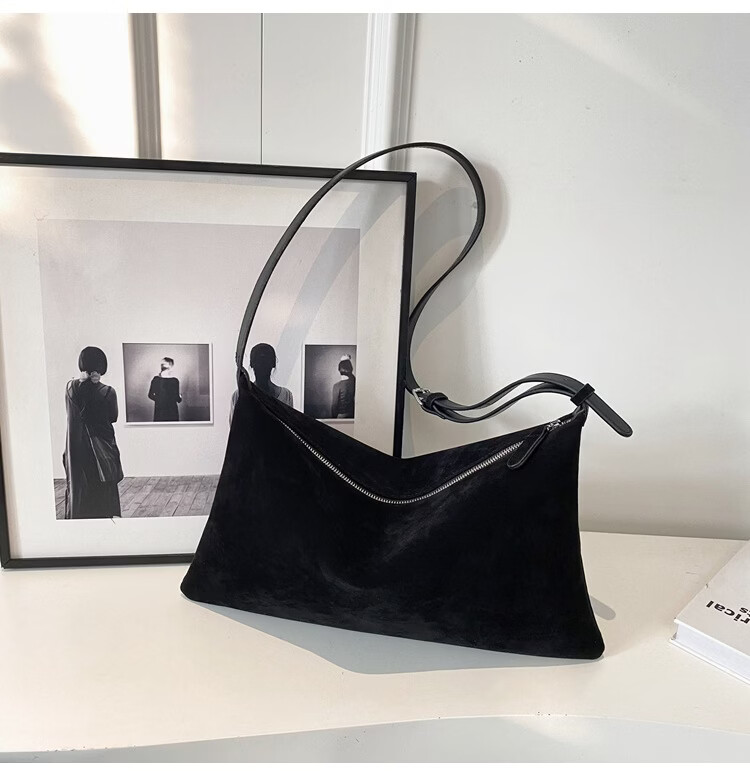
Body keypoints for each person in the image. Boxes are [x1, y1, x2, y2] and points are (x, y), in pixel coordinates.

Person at [63, 346, 122, 519]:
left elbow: (72, 415)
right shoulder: (108, 392)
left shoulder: (69, 388)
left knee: (80, 489)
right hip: (100, 450)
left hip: (75, 449)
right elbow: (113, 418)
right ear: (102, 366)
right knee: (103, 490)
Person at [230, 343, 293, 425]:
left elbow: (290, 427)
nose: (262, 366)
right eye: (259, 362)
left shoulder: (286, 395)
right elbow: (236, 427)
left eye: (265, 362)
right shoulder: (239, 395)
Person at [148, 356, 182, 422]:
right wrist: (180, 396)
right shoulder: (175, 381)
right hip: (172, 412)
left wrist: (160, 399)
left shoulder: (155, 380)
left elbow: (150, 395)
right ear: (171, 367)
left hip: (159, 411)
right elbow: (178, 399)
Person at [331, 354, 356, 419]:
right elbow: (352, 376)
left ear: (339, 370)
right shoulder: (353, 382)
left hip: (341, 417)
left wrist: (333, 419)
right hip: (352, 415)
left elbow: (334, 406)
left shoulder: (337, 386)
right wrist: (347, 361)